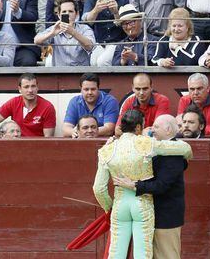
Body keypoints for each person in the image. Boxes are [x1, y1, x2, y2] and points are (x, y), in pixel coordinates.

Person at [93, 109, 192, 258]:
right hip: (142, 203)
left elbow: (99, 188)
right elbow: (183, 148)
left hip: (120, 205)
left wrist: (109, 207)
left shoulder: (107, 150)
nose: (151, 130)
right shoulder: (146, 144)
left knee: (116, 253)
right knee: (142, 253)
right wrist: (188, 152)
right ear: (138, 127)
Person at [82, 0, 129, 66]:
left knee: (102, 62)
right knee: (93, 63)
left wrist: (116, 13)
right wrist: (96, 10)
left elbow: (130, 24)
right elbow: (86, 21)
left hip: (119, 42)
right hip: (99, 42)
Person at [0, 73, 56, 137]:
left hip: (37, 147)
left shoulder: (47, 107)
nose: (30, 90)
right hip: (16, 146)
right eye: (26, 87)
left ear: (37, 87)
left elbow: (48, 138)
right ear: (20, 89)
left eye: (33, 86)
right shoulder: (14, 102)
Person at [34, 0, 95, 66]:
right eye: (64, 12)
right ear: (59, 15)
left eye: (70, 11)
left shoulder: (84, 28)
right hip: (60, 72)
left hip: (80, 72)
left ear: (77, 14)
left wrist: (73, 32)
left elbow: (90, 46)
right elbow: (36, 41)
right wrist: (52, 33)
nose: (67, 14)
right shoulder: (55, 28)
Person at [63, 73, 119, 137]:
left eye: (93, 89)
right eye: (86, 89)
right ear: (81, 89)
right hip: (80, 142)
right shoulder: (74, 102)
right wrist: (74, 132)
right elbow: (66, 129)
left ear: (98, 88)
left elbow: (109, 129)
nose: (90, 92)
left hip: (104, 143)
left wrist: (84, 133)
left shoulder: (109, 101)